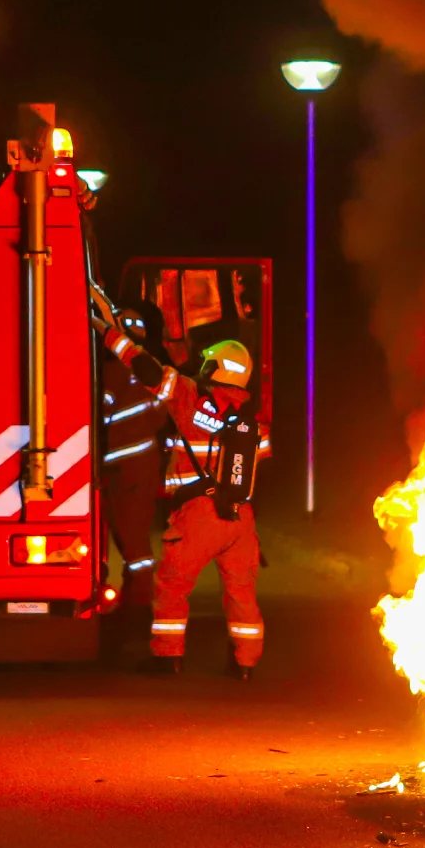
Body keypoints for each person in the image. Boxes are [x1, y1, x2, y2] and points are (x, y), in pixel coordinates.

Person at [91, 287, 269, 678]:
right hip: (242, 518)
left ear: (213, 370)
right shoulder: (251, 418)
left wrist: (105, 330)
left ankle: (167, 657)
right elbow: (263, 455)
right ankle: (245, 664)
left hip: (200, 512)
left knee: (173, 585)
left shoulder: (189, 395)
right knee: (241, 594)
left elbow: (146, 367)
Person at [97, 302, 170, 610]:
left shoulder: (115, 370)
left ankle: (138, 606)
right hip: (142, 465)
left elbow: (99, 409)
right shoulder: (153, 368)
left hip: (125, 469)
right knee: (134, 537)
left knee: (131, 540)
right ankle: (135, 601)